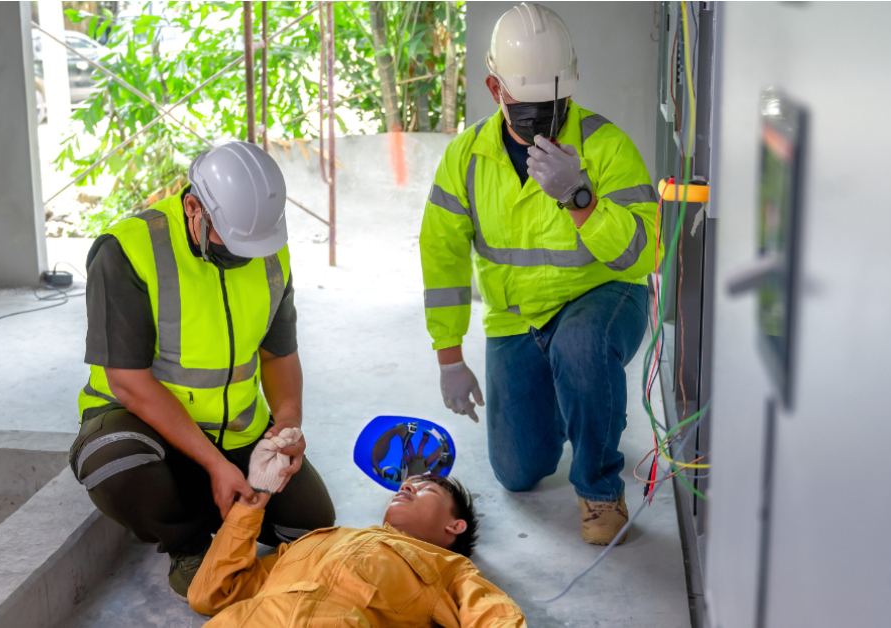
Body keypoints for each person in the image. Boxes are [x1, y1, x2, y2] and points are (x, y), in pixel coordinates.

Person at [420, 3, 656, 545]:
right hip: (517, 320)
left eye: (553, 103)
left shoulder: (606, 146)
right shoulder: (467, 158)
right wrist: (448, 356)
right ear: (495, 88)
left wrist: (581, 198)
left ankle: (599, 490)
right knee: (518, 473)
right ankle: (580, 400)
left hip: (602, 300)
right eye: (526, 104)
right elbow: (442, 256)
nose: (541, 116)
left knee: (579, 345)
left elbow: (644, 255)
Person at [69, 140, 335, 597]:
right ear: (194, 207)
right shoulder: (127, 251)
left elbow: (278, 354)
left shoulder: (269, 250)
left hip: (236, 433)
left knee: (313, 524)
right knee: (114, 457)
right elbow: (128, 383)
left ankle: (221, 502)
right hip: (146, 428)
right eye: (230, 242)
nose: (243, 256)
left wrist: (287, 425)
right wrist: (214, 465)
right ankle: (188, 545)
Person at [188, 474, 526, 627]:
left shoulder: (449, 566)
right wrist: (250, 505)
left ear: (455, 526)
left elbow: (493, 616)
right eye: (409, 482)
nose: (407, 484)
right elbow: (212, 592)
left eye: (428, 489)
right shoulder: (318, 539)